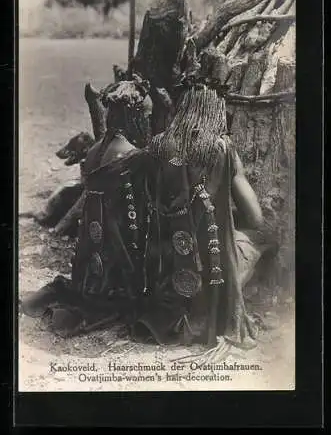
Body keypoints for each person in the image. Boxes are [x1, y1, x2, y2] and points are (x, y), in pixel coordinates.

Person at [131, 79, 277, 349]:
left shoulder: (158, 146)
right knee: (260, 238)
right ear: (216, 110)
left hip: (165, 275)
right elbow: (255, 218)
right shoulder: (223, 149)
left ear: (182, 108)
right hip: (209, 278)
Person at [21, 75, 153, 337]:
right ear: (133, 116)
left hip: (90, 248)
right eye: (146, 116)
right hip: (114, 246)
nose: (147, 122)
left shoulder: (95, 150)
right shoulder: (130, 154)